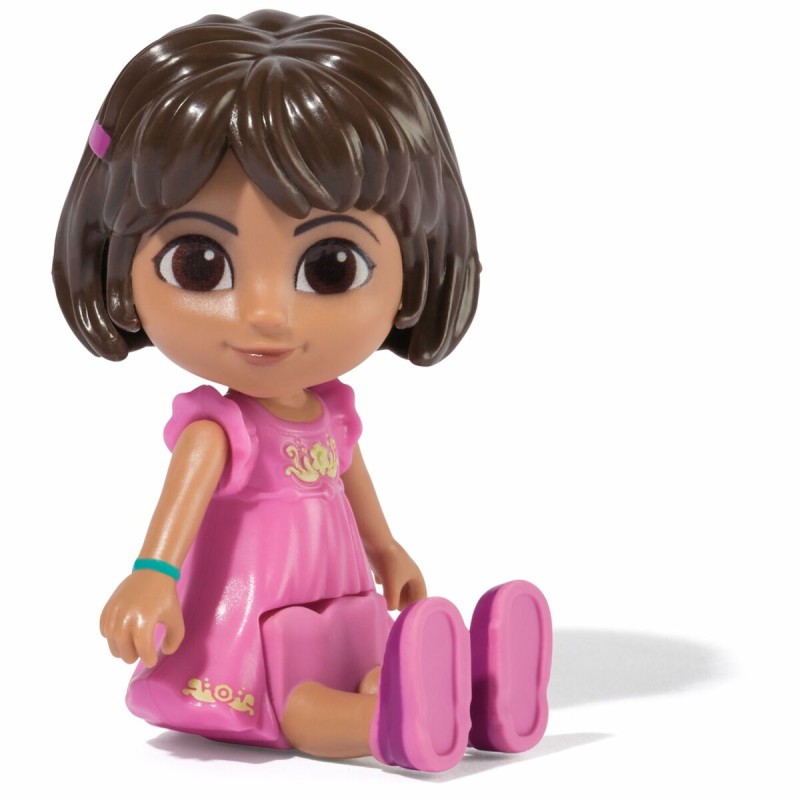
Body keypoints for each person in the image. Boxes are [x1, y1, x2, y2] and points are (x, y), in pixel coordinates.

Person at [53, 10, 551, 772]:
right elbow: (178, 512)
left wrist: (385, 547)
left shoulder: (332, 413)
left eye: (330, 267)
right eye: (200, 265)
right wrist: (152, 580)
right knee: (294, 705)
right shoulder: (217, 429)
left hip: (336, 584)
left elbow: (354, 482)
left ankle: (470, 698)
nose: (265, 314)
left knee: (361, 659)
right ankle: (398, 721)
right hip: (245, 609)